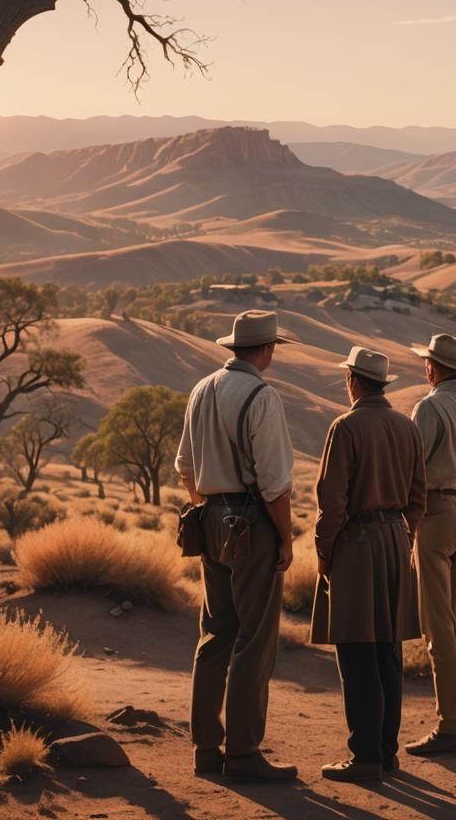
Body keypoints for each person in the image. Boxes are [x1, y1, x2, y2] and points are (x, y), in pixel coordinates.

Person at [175, 310, 298, 784]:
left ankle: (205, 749)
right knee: (253, 640)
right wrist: (284, 537)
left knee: (214, 634)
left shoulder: (200, 390)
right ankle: (244, 753)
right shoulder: (262, 396)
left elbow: (185, 466)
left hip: (209, 520)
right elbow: (274, 484)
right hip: (252, 524)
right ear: (266, 350)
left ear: (233, 347)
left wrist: (207, 509)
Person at [311, 346, 427, 784]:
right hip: (396, 540)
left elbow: (332, 501)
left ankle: (364, 757)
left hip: (356, 546)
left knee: (357, 650)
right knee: (387, 650)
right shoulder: (407, 426)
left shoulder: (345, 427)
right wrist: (402, 535)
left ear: (353, 381)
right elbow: (419, 497)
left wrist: (324, 551)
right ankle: (385, 752)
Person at [404, 333, 456, 756]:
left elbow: (412, 469)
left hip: (435, 512)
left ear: (432, 367)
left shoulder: (428, 407)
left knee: (437, 624)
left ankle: (449, 724)